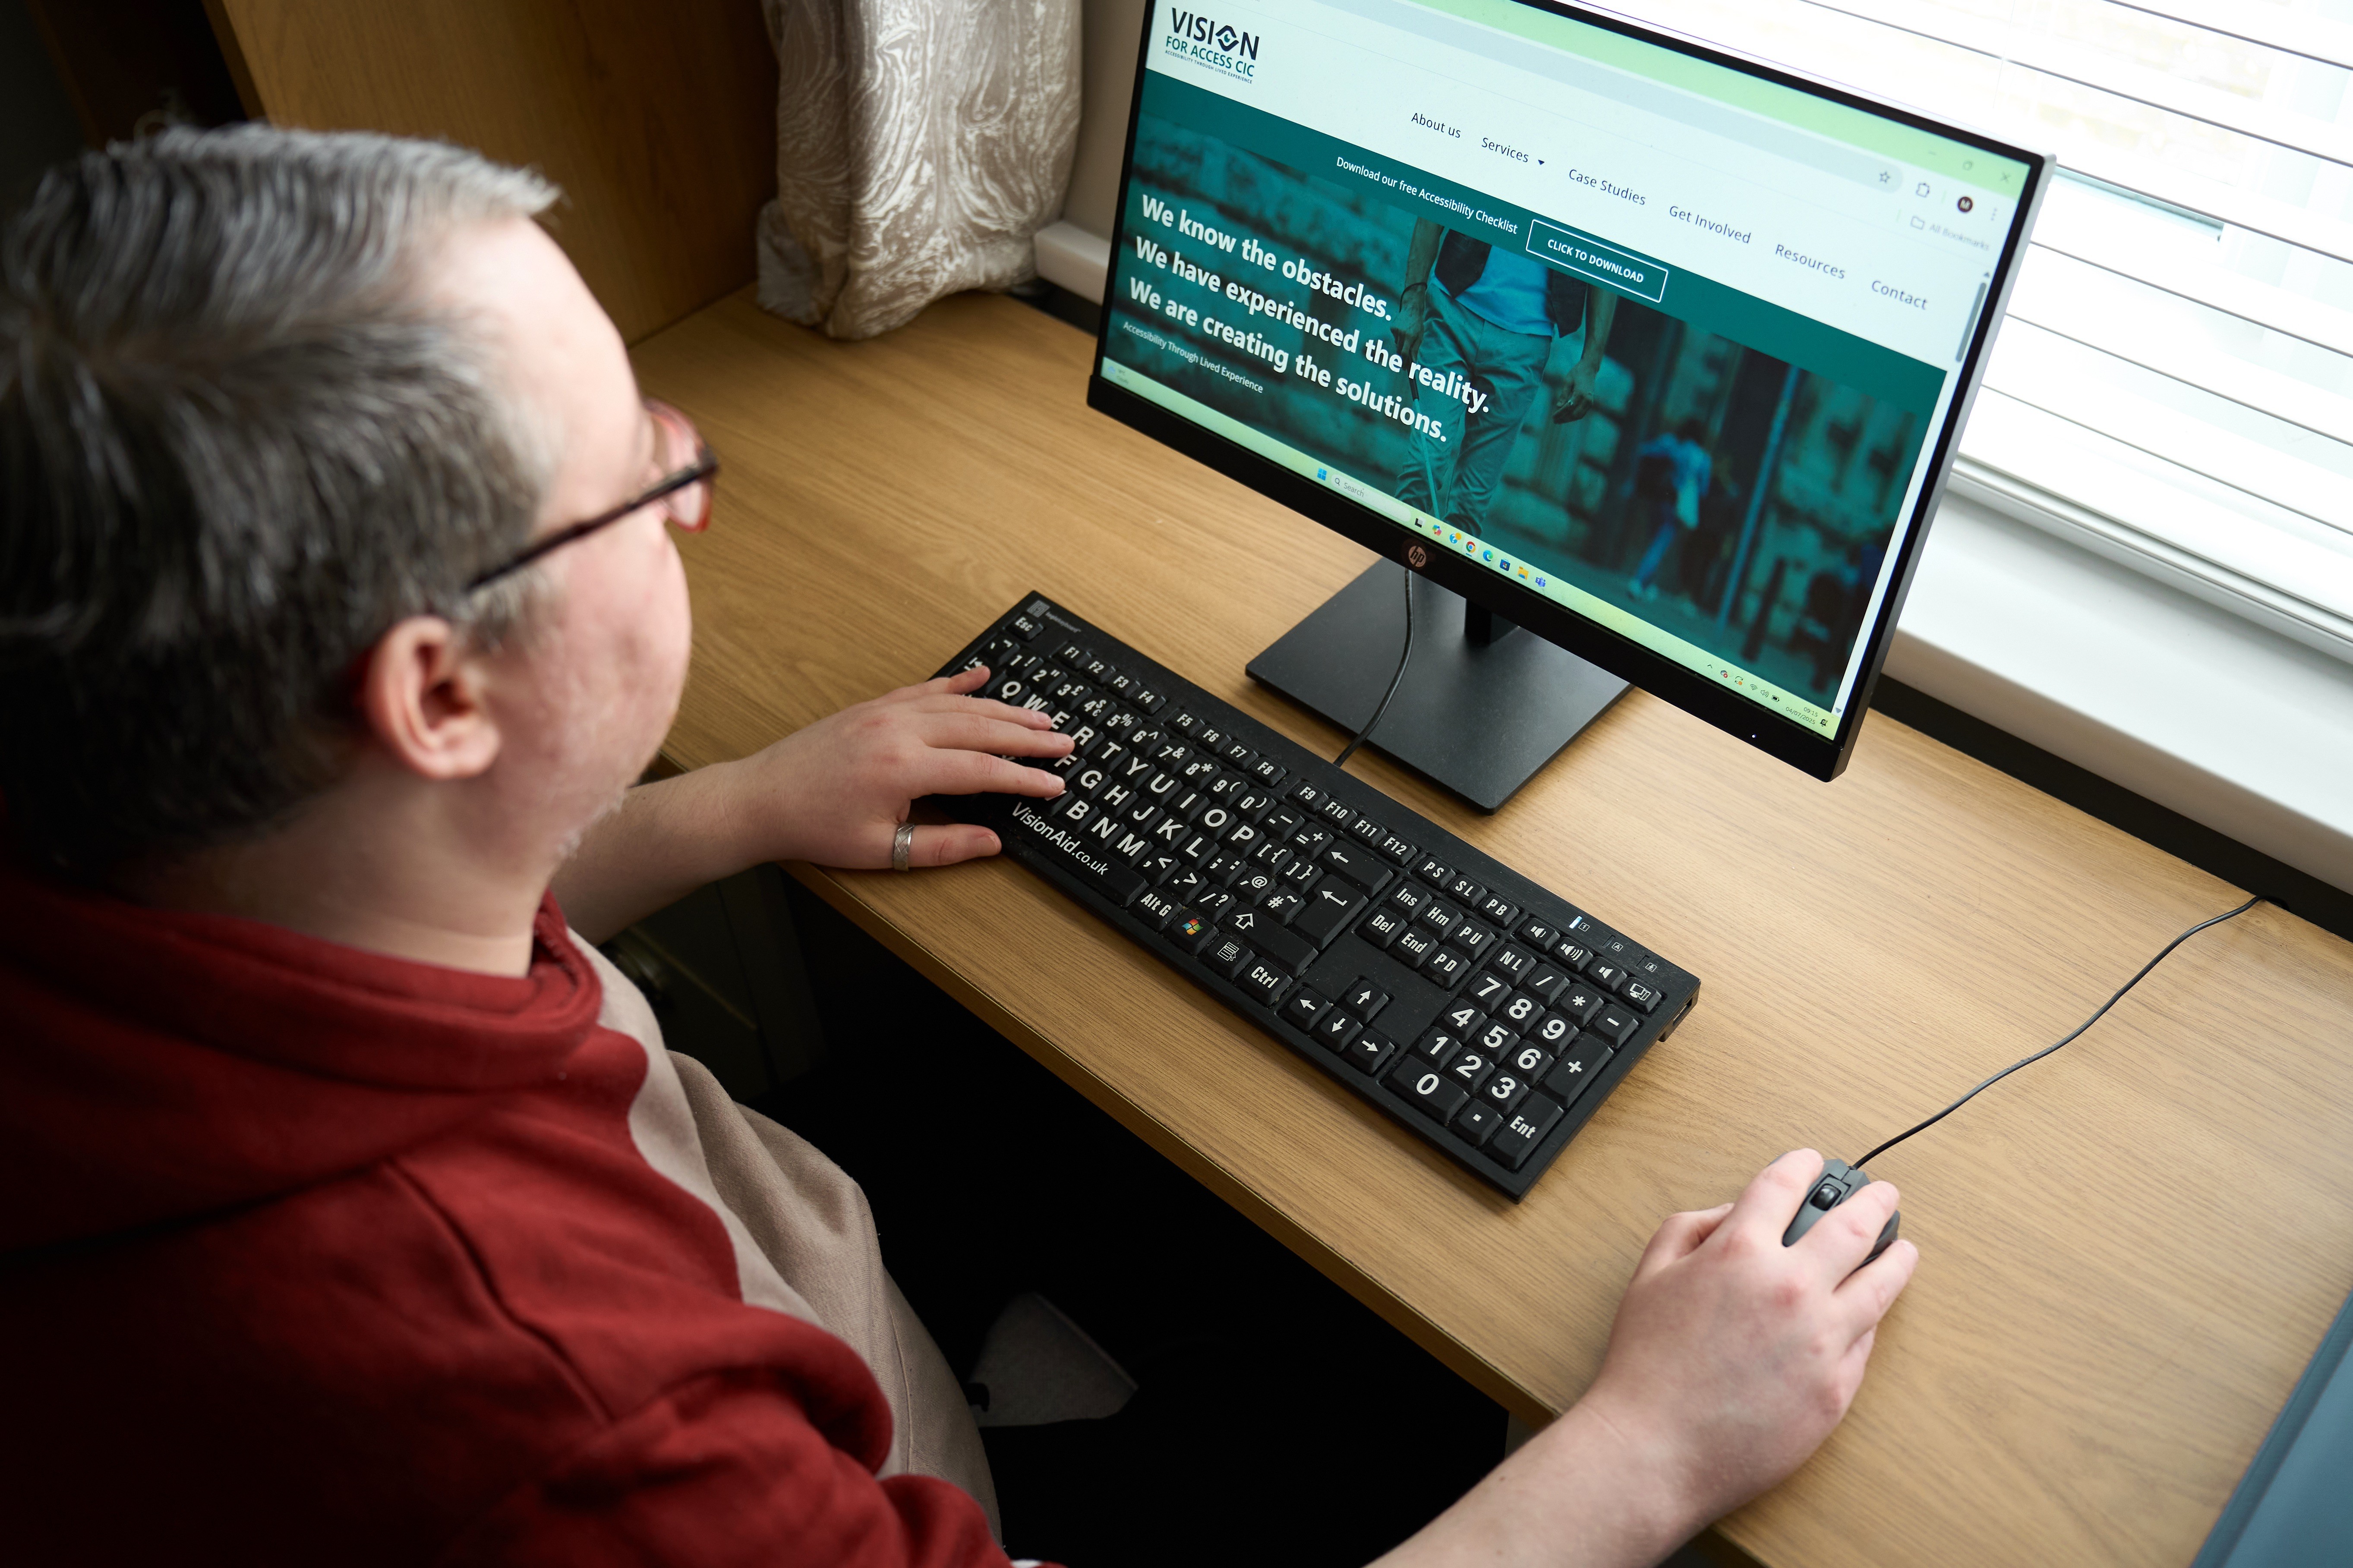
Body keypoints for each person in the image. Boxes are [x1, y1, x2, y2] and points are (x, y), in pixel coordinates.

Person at [0, 128, 1916, 1566]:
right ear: (436, 698)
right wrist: (1655, 1444)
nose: (693, 498)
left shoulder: (136, 852)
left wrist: (725, 808)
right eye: (648, 472)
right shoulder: (574, 1425)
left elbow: (341, 943)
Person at [1392, 218, 1618, 535]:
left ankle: (1435, 580)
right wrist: (1413, 301)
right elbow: (1433, 206)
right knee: (1424, 462)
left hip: (1526, 344)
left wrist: (1590, 363)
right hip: (1452, 312)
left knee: (1470, 504)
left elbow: (1608, 261)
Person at [1625, 418, 1715, 603]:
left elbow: (1645, 451)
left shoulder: (1670, 442)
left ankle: (1649, 586)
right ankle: (1638, 581)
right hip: (1678, 505)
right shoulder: (1703, 459)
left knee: (1653, 540)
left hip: (1660, 497)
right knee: (1660, 545)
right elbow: (1704, 490)